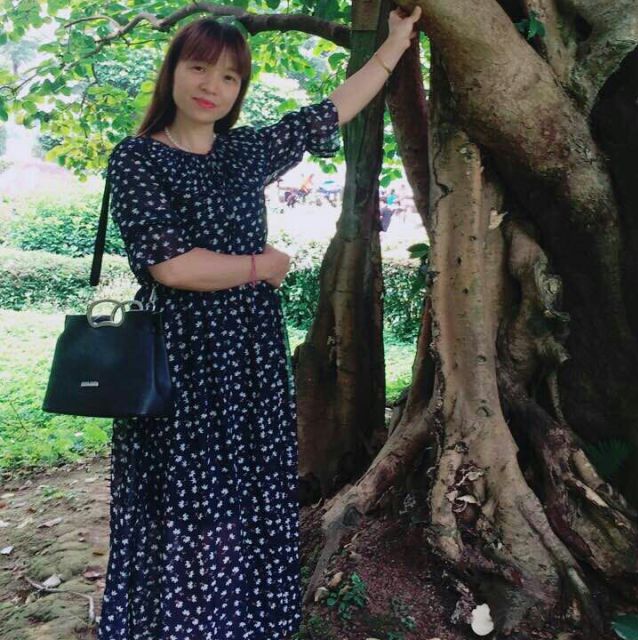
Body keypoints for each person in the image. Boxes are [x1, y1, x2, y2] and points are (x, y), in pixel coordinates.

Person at [98, 6, 421, 640]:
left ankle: (242, 621)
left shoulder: (245, 152)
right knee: (185, 495)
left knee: (247, 489)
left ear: (240, 90)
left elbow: (332, 110)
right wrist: (261, 266)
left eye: (229, 77)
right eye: (199, 68)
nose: (211, 86)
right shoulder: (137, 158)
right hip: (181, 357)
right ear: (172, 71)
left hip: (249, 353)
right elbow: (171, 266)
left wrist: (393, 45)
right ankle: (176, 625)